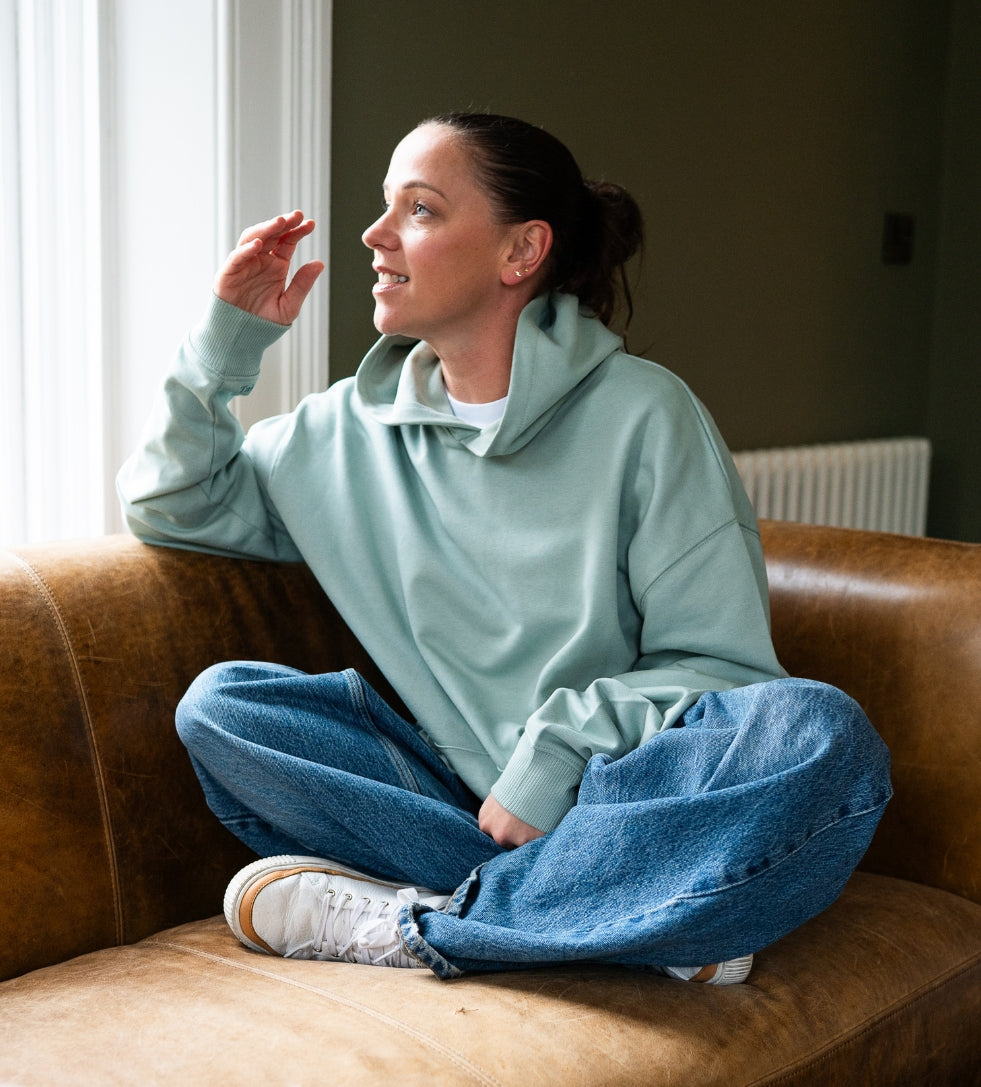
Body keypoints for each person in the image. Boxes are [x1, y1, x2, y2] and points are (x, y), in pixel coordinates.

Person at [117, 112, 891, 984]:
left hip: (628, 797)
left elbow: (726, 668)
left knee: (820, 732)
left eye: (419, 210)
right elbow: (168, 501)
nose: (374, 237)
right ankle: (638, 919)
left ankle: (427, 926)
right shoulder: (335, 435)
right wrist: (227, 343)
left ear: (519, 253)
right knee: (222, 706)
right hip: (452, 805)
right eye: (385, 208)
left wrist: (557, 750)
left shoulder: (645, 415)